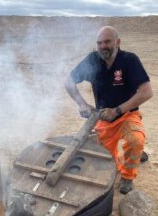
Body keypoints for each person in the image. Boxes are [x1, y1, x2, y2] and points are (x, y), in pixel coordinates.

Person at [65, 26, 153, 194]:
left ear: (117, 42)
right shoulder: (92, 60)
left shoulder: (129, 60)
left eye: (107, 42)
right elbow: (68, 82)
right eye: (99, 43)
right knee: (102, 162)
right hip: (104, 117)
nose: (103, 46)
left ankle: (128, 176)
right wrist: (82, 104)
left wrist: (117, 110)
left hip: (127, 114)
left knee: (135, 140)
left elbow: (146, 92)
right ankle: (131, 157)